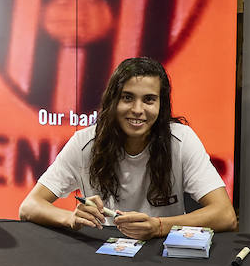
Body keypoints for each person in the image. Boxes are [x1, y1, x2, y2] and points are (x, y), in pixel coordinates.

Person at [18, 57, 237, 236]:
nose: (137, 109)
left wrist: (158, 226)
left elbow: (225, 215)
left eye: (149, 100)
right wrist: (70, 218)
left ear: (161, 106)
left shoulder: (181, 140)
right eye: (127, 98)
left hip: (164, 255)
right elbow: (29, 207)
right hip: (100, 255)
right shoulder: (85, 143)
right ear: (113, 101)